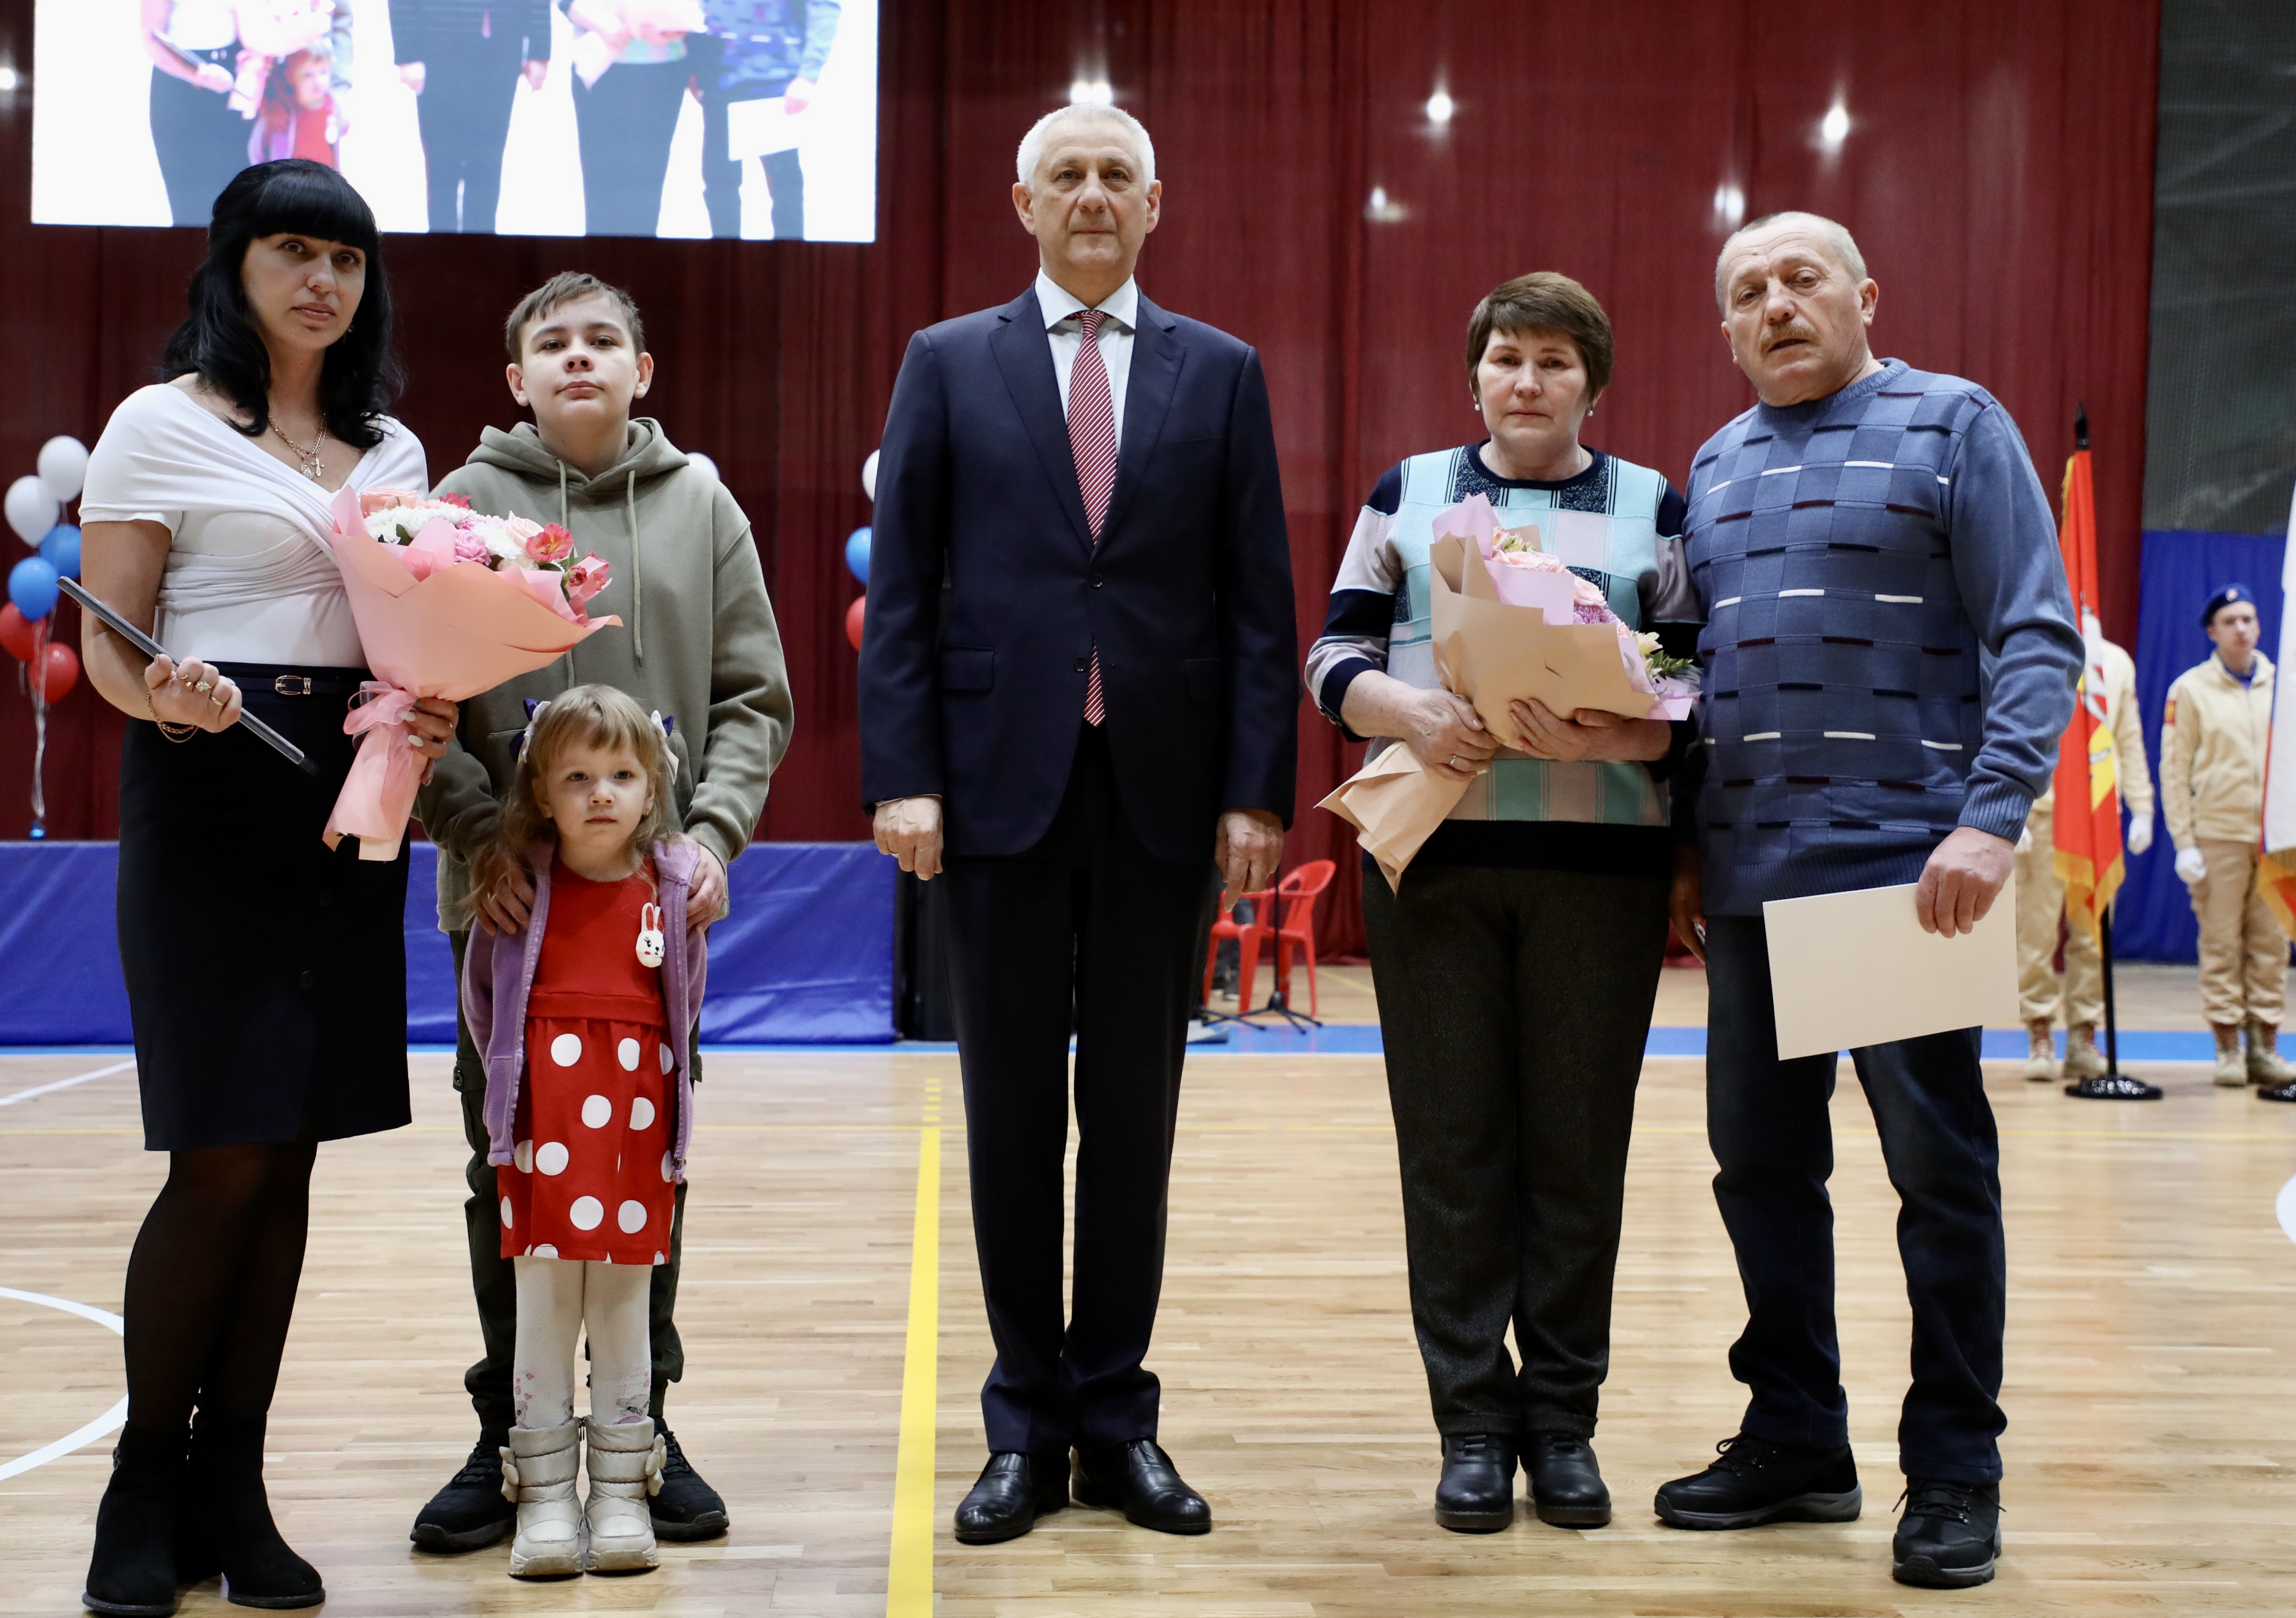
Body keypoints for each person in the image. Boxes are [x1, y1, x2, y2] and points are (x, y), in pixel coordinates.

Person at [859, 102, 1301, 1545]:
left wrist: (1252, 788)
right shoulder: (946, 360)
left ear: (1155, 203)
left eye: (1117, 174)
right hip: (992, 788)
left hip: (1161, 793)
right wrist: (902, 774)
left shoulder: (1219, 371)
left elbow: (1256, 598)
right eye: (1068, 174)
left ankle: (1113, 1414)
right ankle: (1022, 1423)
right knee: (1005, 1116)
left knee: (1132, 1118)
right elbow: (903, 587)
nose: (1093, 193)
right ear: (1023, 201)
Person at [1659, 212, 2081, 1590]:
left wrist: (1988, 817)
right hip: (1746, 880)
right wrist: (1680, 842)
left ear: (1864, 296)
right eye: (1746, 291)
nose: (1773, 304)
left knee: (1936, 1183)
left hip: (1902, 874)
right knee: (1758, 1174)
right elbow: (1687, 679)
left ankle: (1953, 1466)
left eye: (1799, 279)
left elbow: (2035, 633)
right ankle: (1796, 1435)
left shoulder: (1953, 424)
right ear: (1725, 328)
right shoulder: (1711, 465)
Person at [72, 159, 458, 1616]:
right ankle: (142, 1483)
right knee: (219, 1147)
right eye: (293, 250)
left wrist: (434, 696)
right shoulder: (156, 422)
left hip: (344, 798)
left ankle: (232, 1485)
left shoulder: (394, 448)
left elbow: (409, 629)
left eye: (346, 259)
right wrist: (162, 700)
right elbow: (107, 637)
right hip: (205, 791)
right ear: (233, 264)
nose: (322, 280)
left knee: (290, 1149)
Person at [1304, 272, 1698, 1535]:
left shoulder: (1652, 505)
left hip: (1602, 873)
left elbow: (1691, 679)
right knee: (1453, 1151)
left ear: (1592, 383)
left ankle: (1563, 1426)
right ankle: (1471, 1424)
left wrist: (1619, 728)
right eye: (1506, 359)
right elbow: (1331, 655)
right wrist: (1409, 709)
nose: (1527, 381)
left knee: (1576, 1153)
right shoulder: (1406, 491)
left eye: (1553, 361)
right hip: (1434, 866)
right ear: (1472, 374)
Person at [411, 270, 793, 1552]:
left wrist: (710, 838)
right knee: (506, 1164)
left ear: (642, 370)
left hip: (649, 920)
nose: (579, 358)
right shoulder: (460, 507)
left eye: (602, 341)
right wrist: (480, 836)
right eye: (552, 344)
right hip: (507, 905)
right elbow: (421, 702)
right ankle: (507, 1429)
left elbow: (754, 697)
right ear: (515, 379)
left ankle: (641, 1426)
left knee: (645, 1158)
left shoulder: (702, 505)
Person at [460, 685, 712, 1577]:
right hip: (544, 1135)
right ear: (539, 791)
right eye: (576, 776)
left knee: (622, 1308)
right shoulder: (518, 888)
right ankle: (542, 1498)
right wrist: (516, 1104)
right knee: (542, 1306)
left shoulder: (671, 889)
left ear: (652, 788)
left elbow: (684, 1003)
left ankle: (619, 1492)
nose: (600, 793)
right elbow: (484, 1007)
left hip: (633, 1137)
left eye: (621, 775)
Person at [2160, 586, 2296, 1089]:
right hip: (2218, 834)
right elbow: (2174, 770)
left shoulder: (2284, 685)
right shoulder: (2190, 689)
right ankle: (2228, 1049)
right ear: (2212, 631)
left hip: (2276, 839)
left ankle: (2264, 1046)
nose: (2241, 627)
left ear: (2259, 626)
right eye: (2230, 620)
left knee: (2270, 946)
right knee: (2220, 943)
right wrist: (2184, 841)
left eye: (2248, 618)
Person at [2013, 635, 2153, 1086]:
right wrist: (2008, 810)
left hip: (2096, 815)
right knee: (2034, 933)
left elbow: (2127, 736)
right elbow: (2009, 730)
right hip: (2044, 812)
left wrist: (2142, 805)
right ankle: (2039, 1032)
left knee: (2092, 936)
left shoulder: (2114, 661)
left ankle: (2083, 1036)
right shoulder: (2031, 648)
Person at [686, 0, 841, 238]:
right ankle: (724, 256)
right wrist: (693, 62)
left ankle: (788, 258)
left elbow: (825, 7)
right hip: (719, 75)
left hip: (775, 80)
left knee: (785, 188)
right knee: (720, 184)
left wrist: (808, 75)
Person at [392, 0, 550, 234]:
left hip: (500, 50)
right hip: (438, 46)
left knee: (488, 164)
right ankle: (441, 248)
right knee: (441, 166)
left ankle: (482, 248)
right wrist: (407, 53)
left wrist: (539, 49)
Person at [562, 0, 698, 236]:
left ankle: (640, 256)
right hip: (600, 62)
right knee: (601, 189)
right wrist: (604, 25)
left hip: (663, 68)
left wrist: (677, 26)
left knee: (647, 187)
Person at [140, 1, 252, 226]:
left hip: (236, 74)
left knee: (241, 202)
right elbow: (152, 37)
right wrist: (195, 75)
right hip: (182, 85)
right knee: (191, 207)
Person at [248, 44, 340, 167]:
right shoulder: (280, 112)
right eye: (308, 75)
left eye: (323, 72)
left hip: (325, 175)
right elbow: (257, 151)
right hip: (292, 176)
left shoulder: (334, 106)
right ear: (290, 76)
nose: (318, 81)